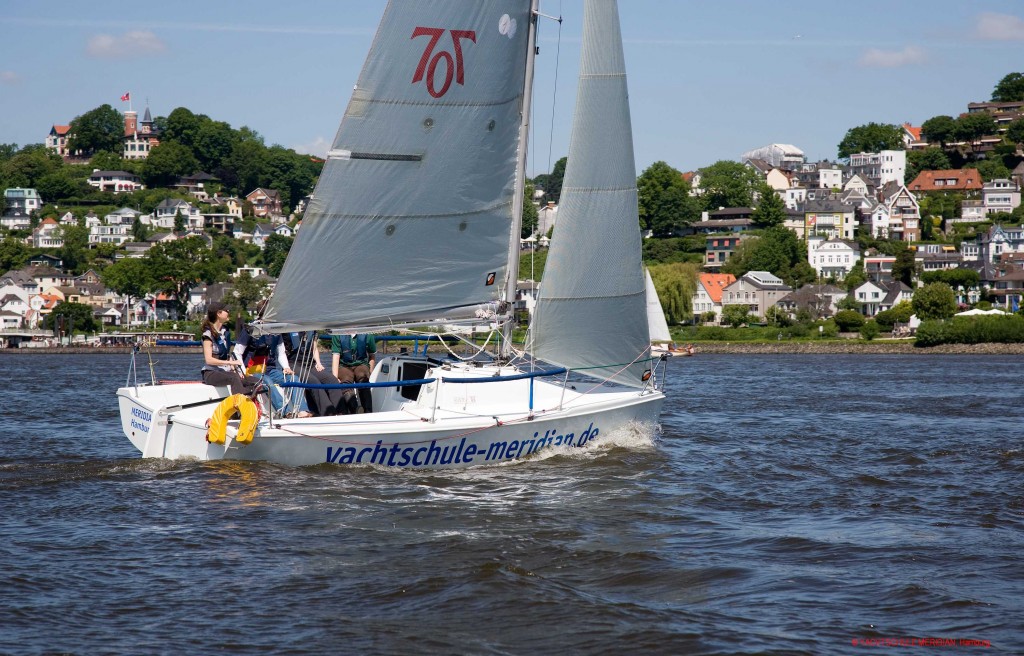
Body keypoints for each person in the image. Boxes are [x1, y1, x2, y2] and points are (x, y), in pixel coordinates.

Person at [233, 303, 312, 418]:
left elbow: (280, 352)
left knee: (294, 379)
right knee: (268, 383)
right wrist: (243, 372)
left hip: (270, 369)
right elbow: (237, 352)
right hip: (252, 370)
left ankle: (302, 410)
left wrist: (286, 367)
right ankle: (284, 412)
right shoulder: (250, 329)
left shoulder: (275, 330)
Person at [200, 302, 261, 396]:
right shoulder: (207, 335)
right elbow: (209, 360)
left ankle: (251, 403)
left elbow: (226, 355)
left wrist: (234, 367)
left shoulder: (225, 332)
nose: (228, 312)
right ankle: (239, 405)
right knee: (234, 378)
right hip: (211, 373)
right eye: (226, 310)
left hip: (225, 371)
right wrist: (230, 363)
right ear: (218, 314)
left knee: (255, 381)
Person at [285, 331, 344, 416]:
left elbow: (314, 347)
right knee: (313, 381)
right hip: (294, 364)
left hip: (310, 364)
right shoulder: (288, 331)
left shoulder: (311, 330)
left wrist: (318, 363)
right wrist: (285, 366)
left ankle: (341, 411)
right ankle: (328, 413)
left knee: (332, 380)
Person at [331, 333, 377, 414]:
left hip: (361, 364)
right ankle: (355, 409)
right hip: (344, 365)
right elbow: (336, 356)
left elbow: (372, 355)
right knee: (345, 382)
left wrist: (370, 372)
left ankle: (368, 411)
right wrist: (335, 377)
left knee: (363, 379)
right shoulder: (338, 334)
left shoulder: (367, 334)